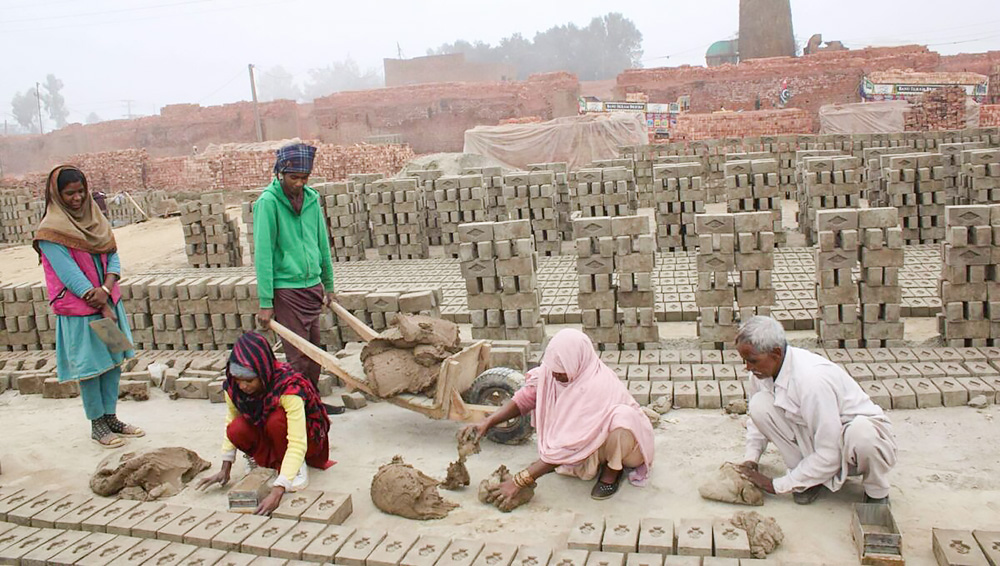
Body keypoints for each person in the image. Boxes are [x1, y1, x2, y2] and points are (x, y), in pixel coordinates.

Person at [464, 329, 654, 505]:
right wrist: (487, 422)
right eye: (553, 370)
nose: (554, 376)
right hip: (592, 435)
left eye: (560, 372)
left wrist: (519, 481)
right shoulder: (554, 373)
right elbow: (526, 398)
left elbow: (571, 442)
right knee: (562, 441)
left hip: (628, 446)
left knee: (622, 420)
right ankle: (590, 460)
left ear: (576, 363)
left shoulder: (595, 386)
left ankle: (612, 472)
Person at [33, 165, 143, 448]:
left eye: (81, 191)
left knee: (114, 363)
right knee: (92, 367)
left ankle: (111, 417)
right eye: (69, 193)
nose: (77, 198)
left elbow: (113, 255)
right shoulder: (50, 231)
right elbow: (68, 273)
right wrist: (96, 298)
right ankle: (97, 424)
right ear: (57, 195)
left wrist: (107, 289)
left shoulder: (97, 221)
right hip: (81, 311)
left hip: (108, 302)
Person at [734, 316, 897, 505]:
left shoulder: (811, 381)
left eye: (752, 361)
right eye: (744, 361)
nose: (748, 367)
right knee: (759, 405)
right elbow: (756, 423)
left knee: (862, 433)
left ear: (776, 353)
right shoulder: (761, 373)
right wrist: (751, 459)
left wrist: (776, 485)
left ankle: (876, 491)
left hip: (853, 448)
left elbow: (831, 452)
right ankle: (807, 480)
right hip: (821, 438)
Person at [197, 332, 333, 515]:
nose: (243, 386)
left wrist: (278, 491)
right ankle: (265, 461)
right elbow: (231, 419)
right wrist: (225, 468)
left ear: (263, 371)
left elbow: (298, 442)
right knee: (236, 428)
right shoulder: (233, 389)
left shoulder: (289, 387)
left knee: (275, 419)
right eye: (238, 379)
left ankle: (295, 467)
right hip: (269, 433)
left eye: (249, 380)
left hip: (305, 440)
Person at [253, 142, 336, 387]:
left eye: (304, 178)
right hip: (287, 290)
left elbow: (322, 244)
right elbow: (264, 255)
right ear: (280, 173)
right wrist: (266, 302)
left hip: (312, 286)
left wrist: (328, 285)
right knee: (297, 356)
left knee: (314, 353)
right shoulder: (268, 203)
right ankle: (299, 407)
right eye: (293, 177)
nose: (299, 183)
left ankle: (312, 404)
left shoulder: (311, 199)